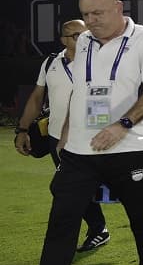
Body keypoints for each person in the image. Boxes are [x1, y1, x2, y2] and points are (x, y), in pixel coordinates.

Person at [2, 0, 143, 265]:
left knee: (142, 218)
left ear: (118, 7)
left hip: (130, 146)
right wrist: (65, 133)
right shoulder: (88, 43)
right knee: (62, 220)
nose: (90, 23)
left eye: (97, 14)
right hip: (80, 150)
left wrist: (121, 126)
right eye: (86, 15)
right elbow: (83, 90)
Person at [14, 19, 109, 253]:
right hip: (55, 138)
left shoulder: (100, 62)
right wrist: (22, 129)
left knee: (65, 187)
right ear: (63, 39)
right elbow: (37, 98)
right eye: (74, 35)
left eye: (84, 33)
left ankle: (80, 236)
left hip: (85, 139)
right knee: (73, 188)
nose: (82, 38)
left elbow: (105, 101)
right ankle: (98, 229)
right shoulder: (50, 63)